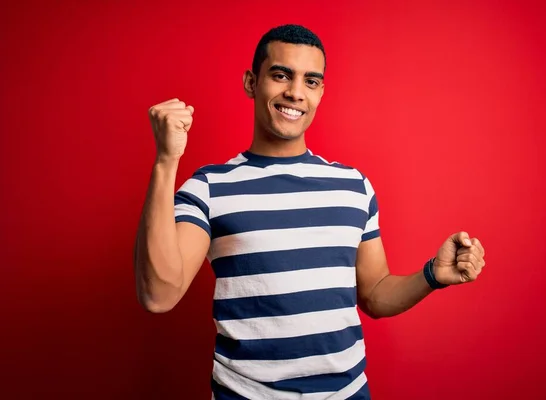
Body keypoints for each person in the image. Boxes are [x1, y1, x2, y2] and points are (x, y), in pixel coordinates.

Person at [134, 24, 486, 400]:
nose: (295, 92)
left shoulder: (354, 186)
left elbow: (376, 295)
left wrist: (433, 274)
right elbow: (159, 295)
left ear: (321, 91)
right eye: (281, 75)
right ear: (252, 83)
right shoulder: (209, 187)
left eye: (311, 81)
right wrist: (166, 161)